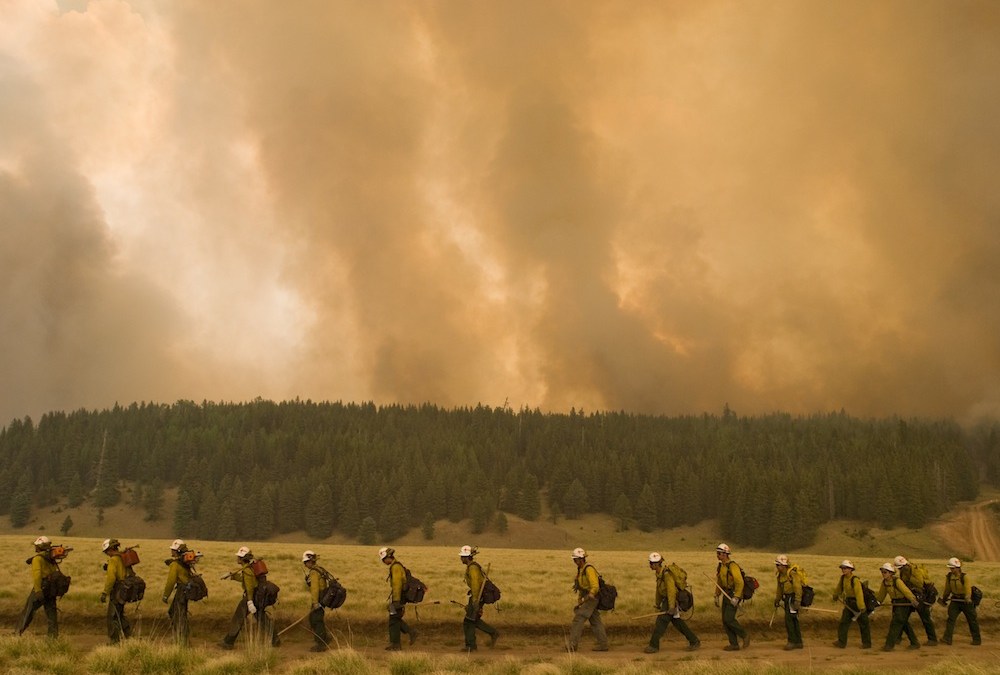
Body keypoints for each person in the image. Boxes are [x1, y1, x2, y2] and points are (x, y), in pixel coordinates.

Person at [219, 546, 279, 648]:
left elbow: (249, 587)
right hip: (258, 596)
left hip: (251, 597)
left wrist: (250, 601)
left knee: (238, 618)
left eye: (238, 556)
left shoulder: (247, 570)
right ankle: (275, 639)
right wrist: (232, 576)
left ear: (242, 558)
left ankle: (228, 642)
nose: (237, 558)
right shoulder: (250, 568)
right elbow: (247, 581)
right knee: (261, 618)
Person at [643, 552, 699, 653]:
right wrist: (657, 603)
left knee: (661, 622)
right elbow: (659, 590)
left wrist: (671, 607)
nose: (650, 565)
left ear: (656, 564)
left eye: (651, 563)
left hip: (671, 601)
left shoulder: (667, 574)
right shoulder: (659, 574)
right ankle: (694, 641)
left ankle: (653, 646)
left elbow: (671, 591)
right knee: (678, 623)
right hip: (668, 600)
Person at [16, 536, 62, 638]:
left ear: (39, 547)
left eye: (36, 546)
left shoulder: (37, 559)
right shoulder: (51, 557)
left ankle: (17, 634)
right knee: (52, 615)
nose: (35, 547)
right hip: (51, 590)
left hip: (42, 588)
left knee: (28, 611)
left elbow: (37, 576)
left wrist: (38, 590)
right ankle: (52, 639)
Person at [459, 545, 500, 652]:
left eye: (462, 556)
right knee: (473, 620)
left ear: (467, 557)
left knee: (468, 621)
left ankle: (471, 646)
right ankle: (491, 634)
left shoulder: (472, 568)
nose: (461, 558)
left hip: (477, 597)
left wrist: (475, 601)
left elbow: (476, 584)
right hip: (476, 596)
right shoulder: (472, 567)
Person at [568, 547, 609, 652]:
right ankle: (603, 645)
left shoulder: (588, 569)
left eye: (576, 559)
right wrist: (580, 598)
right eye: (574, 559)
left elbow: (594, 585)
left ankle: (572, 645)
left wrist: (591, 594)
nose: (574, 561)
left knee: (578, 619)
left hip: (592, 597)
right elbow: (582, 586)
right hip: (588, 596)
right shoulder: (581, 570)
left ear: (581, 559)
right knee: (595, 621)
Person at [876, 562, 920, 651]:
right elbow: (881, 594)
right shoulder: (885, 583)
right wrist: (877, 602)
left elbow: (906, 591)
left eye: (885, 572)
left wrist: (912, 599)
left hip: (903, 603)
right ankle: (915, 643)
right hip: (896, 604)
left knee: (896, 623)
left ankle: (889, 646)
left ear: (891, 573)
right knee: (903, 623)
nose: (883, 574)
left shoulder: (897, 581)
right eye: (882, 572)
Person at [894, 555, 938, 646]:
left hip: (921, 597)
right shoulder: (905, 571)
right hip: (911, 597)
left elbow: (920, 583)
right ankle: (897, 637)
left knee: (925, 618)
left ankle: (932, 639)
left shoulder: (915, 571)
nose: (900, 570)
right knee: (903, 618)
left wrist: (909, 579)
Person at [713, 543, 749, 651]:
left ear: (725, 554)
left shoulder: (732, 566)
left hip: (733, 595)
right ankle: (734, 644)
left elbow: (740, 582)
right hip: (726, 594)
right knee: (725, 621)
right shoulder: (721, 566)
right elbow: (719, 582)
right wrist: (716, 595)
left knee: (729, 619)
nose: (717, 555)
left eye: (719, 553)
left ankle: (744, 635)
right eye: (717, 553)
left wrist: (737, 597)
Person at [380, 547, 417, 650]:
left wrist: (396, 601)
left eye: (383, 559)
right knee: (395, 619)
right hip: (398, 597)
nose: (383, 562)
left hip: (398, 598)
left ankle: (397, 643)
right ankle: (400, 640)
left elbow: (397, 584)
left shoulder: (395, 567)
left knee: (393, 619)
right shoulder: (396, 566)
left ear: (388, 557)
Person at [939, 557, 981, 646]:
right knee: (951, 619)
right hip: (955, 600)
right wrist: (944, 598)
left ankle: (977, 640)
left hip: (966, 602)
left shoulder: (964, 577)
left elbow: (967, 588)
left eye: (952, 568)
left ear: (958, 568)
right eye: (950, 568)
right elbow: (947, 589)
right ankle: (947, 639)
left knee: (972, 620)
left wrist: (968, 597)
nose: (951, 569)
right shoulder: (949, 576)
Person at [831, 560, 872, 649]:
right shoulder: (843, 578)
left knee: (863, 624)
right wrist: (835, 595)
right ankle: (841, 642)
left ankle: (867, 643)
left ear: (851, 569)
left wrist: (861, 607)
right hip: (848, 604)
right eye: (842, 568)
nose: (843, 570)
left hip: (857, 604)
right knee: (843, 622)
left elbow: (859, 594)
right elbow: (839, 588)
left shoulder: (855, 580)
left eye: (846, 568)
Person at [100, 538, 133, 643]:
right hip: (125, 590)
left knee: (112, 616)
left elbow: (111, 578)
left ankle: (114, 641)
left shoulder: (113, 560)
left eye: (106, 552)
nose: (107, 554)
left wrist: (105, 592)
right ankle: (128, 636)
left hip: (117, 591)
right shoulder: (122, 557)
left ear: (110, 549)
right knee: (119, 614)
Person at [162, 539, 194, 646]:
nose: (171, 551)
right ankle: (181, 637)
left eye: (173, 550)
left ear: (177, 552)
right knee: (178, 613)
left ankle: (182, 640)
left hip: (181, 591)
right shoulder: (183, 563)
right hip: (185, 591)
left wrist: (166, 595)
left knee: (178, 614)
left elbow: (170, 581)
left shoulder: (175, 565)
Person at [302, 550, 334, 652]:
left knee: (316, 620)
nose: (305, 564)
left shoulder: (314, 572)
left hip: (319, 598)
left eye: (306, 562)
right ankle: (325, 638)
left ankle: (321, 644)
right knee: (314, 618)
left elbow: (315, 588)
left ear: (309, 561)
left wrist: (315, 602)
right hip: (323, 597)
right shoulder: (319, 569)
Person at [773, 554, 803, 650]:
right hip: (787, 599)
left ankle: (792, 642)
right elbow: (779, 589)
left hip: (792, 599)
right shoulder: (780, 576)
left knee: (790, 620)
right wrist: (777, 599)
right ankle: (798, 642)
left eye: (778, 565)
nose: (777, 567)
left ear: (783, 565)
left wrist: (797, 601)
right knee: (793, 620)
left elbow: (798, 588)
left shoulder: (792, 574)